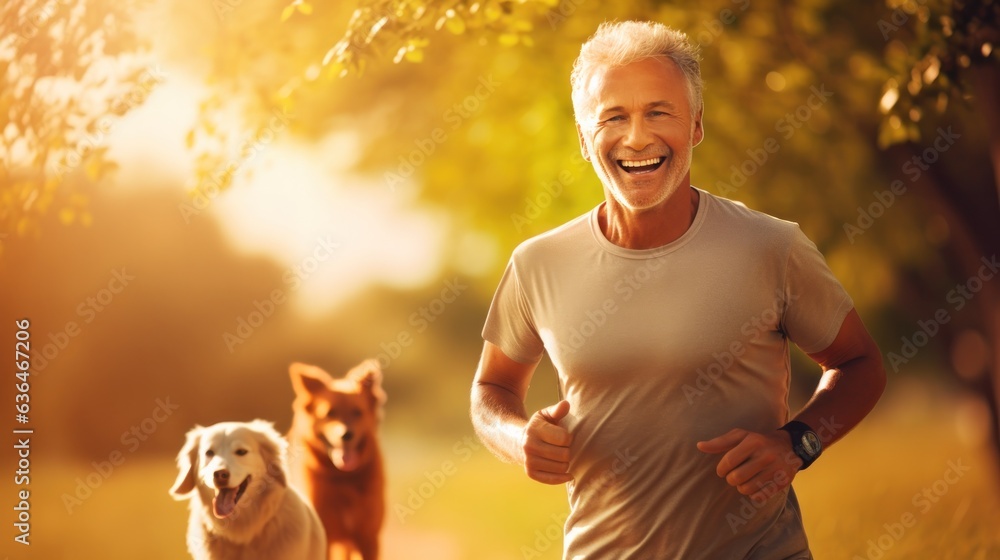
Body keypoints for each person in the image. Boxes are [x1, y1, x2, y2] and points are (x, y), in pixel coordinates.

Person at [469, 20, 887, 559]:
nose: (637, 137)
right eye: (613, 116)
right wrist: (516, 439)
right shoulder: (537, 264)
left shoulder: (771, 247)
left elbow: (860, 364)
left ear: (696, 125)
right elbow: (491, 391)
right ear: (582, 138)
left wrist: (796, 443)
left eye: (658, 112)